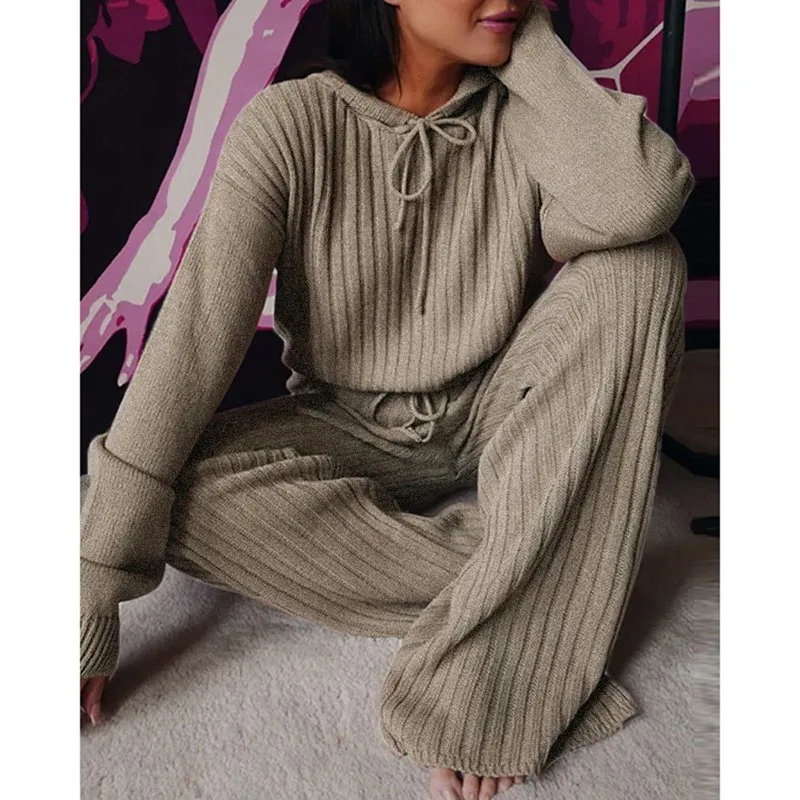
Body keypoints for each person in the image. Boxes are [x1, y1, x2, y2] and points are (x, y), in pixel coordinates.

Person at [79, 1, 695, 798]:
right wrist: (93, 588)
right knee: (161, 498)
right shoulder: (290, 124)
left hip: (501, 405)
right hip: (346, 421)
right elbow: (194, 341)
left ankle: (515, 620)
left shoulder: (529, 113)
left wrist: (528, 43)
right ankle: (549, 558)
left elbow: (643, 199)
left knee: (645, 264)